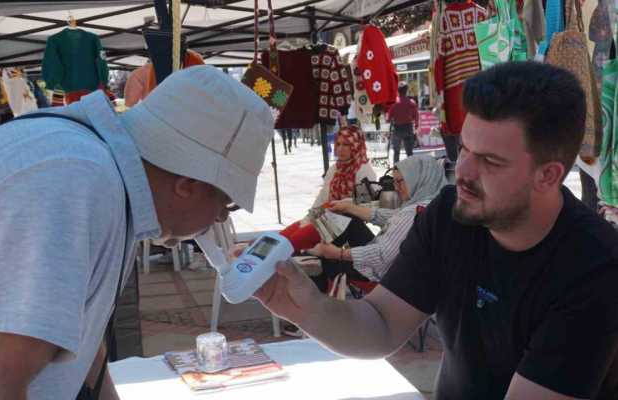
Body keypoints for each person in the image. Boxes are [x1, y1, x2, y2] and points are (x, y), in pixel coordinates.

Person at [255, 61, 618, 399]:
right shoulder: (449, 215)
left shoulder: (594, 267)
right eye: (464, 149)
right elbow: (380, 324)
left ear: (549, 175)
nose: (463, 171)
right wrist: (304, 307)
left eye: (490, 161)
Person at [0, 65, 274, 399]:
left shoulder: (110, 178)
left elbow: (78, 330)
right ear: (189, 185)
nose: (218, 219)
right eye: (225, 204)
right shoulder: (73, 181)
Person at [307, 155, 447, 290]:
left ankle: (312, 259)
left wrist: (337, 253)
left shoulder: (414, 213)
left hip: (381, 274)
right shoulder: (432, 203)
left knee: (322, 262)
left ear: (418, 180)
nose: (396, 187)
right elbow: (392, 216)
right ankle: (311, 246)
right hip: (391, 262)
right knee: (349, 219)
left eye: (400, 181)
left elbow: (382, 255)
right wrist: (350, 207)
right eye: (394, 181)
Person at [280, 125, 377, 252]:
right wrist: (308, 219)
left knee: (291, 243)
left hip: (343, 224)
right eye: (338, 144)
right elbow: (322, 197)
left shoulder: (364, 171)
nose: (340, 149)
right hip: (325, 217)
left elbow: (365, 205)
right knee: (283, 237)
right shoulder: (335, 168)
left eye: (346, 144)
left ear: (356, 146)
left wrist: (340, 206)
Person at [387, 82, 419, 162]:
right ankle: (411, 169)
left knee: (396, 152)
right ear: (406, 90)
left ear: (398, 91)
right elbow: (416, 116)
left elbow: (388, 118)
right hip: (408, 128)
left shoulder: (394, 103)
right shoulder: (411, 102)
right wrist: (416, 126)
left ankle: (396, 169)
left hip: (397, 128)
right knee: (409, 152)